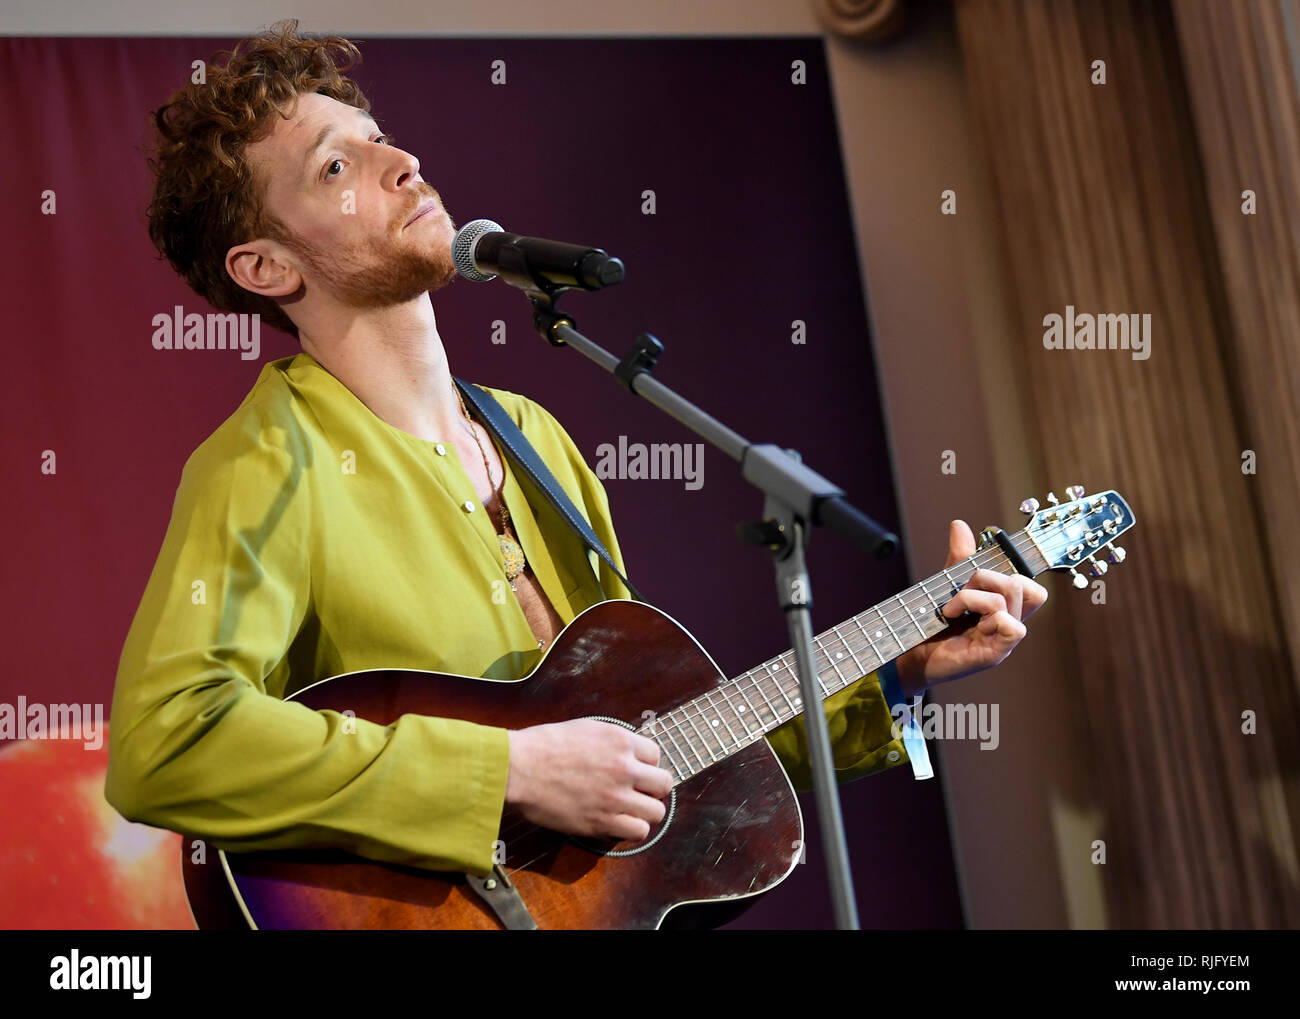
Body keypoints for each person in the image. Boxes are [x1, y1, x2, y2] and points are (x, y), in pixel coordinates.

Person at [106, 20, 1047, 883]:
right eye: (335, 168)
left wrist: (899, 670)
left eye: (379, 132)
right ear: (267, 266)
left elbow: (661, 747)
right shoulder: (270, 459)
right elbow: (168, 738)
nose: (400, 160)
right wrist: (507, 770)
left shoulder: (535, 437)